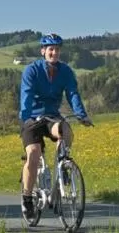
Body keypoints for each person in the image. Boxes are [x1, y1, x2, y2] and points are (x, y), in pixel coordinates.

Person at [18, 33, 93, 221]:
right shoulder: (32, 70)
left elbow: (73, 93)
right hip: (32, 118)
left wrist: (81, 115)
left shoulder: (65, 71)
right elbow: (26, 96)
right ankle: (27, 198)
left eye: (57, 49)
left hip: (52, 116)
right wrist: (26, 118)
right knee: (34, 154)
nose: (54, 52)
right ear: (43, 51)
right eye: (50, 49)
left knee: (65, 130)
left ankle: (64, 165)